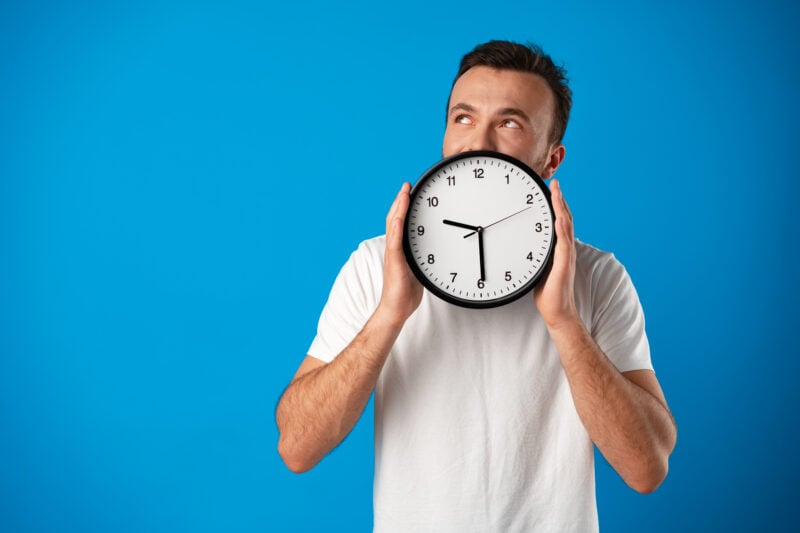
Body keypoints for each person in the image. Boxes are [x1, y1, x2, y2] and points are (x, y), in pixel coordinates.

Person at [276, 40, 677, 532]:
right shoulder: (374, 265)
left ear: (552, 160)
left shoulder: (597, 276)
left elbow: (646, 468)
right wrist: (390, 314)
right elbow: (296, 447)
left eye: (509, 123)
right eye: (462, 118)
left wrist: (565, 322)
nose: (478, 143)